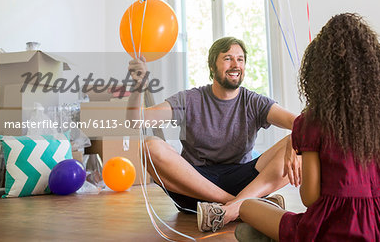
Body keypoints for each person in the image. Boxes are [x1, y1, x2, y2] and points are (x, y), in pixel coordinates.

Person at [236, 13, 380, 242]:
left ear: (319, 72)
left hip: (333, 232)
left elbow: (310, 198)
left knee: (247, 207)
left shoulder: (313, 123)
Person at [126, 37, 301, 233]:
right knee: (149, 146)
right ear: (211, 66)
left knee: (300, 145)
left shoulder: (253, 102)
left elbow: (300, 123)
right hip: (193, 187)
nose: (236, 65)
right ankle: (243, 206)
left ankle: (228, 210)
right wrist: (138, 85)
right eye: (228, 58)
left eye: (240, 59)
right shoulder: (190, 99)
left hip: (241, 180)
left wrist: (296, 140)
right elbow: (136, 121)